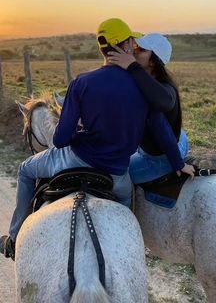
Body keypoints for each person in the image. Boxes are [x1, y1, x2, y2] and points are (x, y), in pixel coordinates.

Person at [0, 18, 192, 260]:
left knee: (26, 169)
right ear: (128, 44)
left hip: (75, 159)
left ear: (100, 47)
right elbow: (161, 128)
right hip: (116, 172)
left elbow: (60, 140)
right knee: (125, 201)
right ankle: (129, 251)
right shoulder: (143, 86)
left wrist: (81, 130)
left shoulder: (81, 82)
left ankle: (14, 238)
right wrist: (178, 164)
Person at [107, 32, 194, 183]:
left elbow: (160, 121)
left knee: (112, 179)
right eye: (135, 46)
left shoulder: (162, 89)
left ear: (153, 62)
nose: (134, 50)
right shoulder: (144, 81)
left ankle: (127, 207)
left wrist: (178, 164)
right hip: (178, 140)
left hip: (161, 157)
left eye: (142, 50)